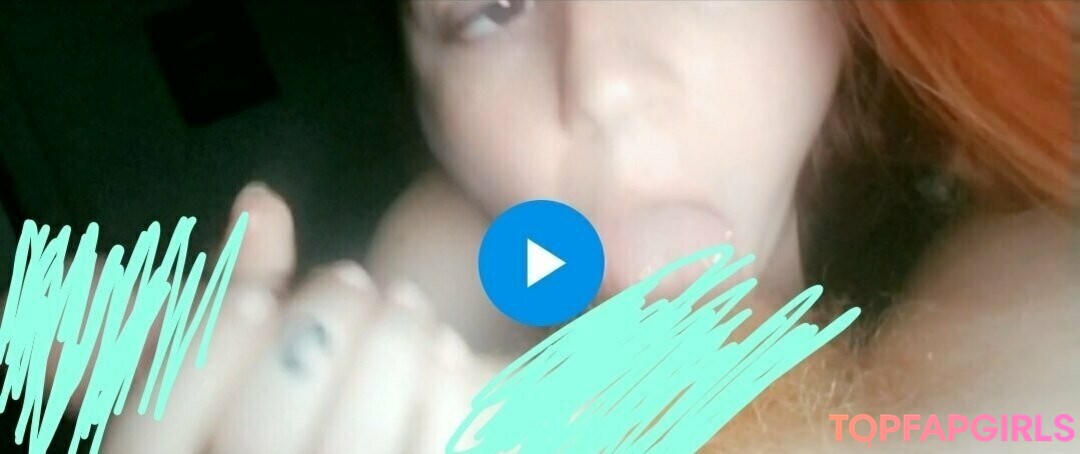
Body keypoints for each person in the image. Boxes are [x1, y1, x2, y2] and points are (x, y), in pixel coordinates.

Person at [95, 1, 1074, 452]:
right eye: (487, 12)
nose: (600, 82)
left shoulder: (1021, 206)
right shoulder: (464, 257)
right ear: (432, 118)